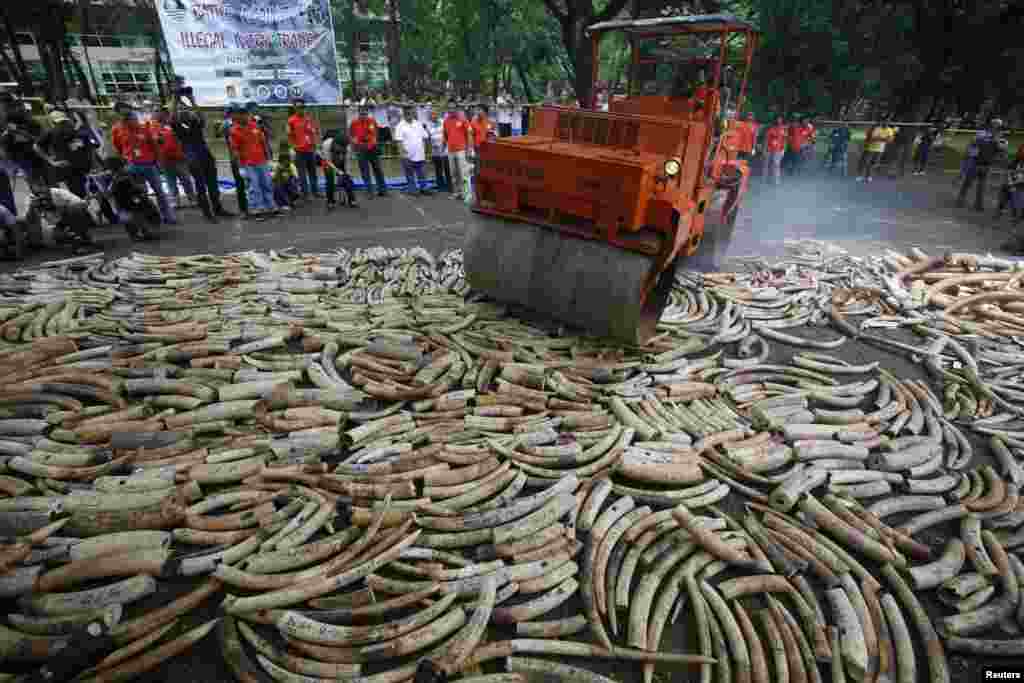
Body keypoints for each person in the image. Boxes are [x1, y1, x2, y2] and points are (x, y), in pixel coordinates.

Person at [169, 78, 233, 222]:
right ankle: (207, 213)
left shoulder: (195, 123)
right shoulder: (179, 127)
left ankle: (218, 208)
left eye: (187, 110)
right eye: (182, 111)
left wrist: (191, 100)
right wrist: (175, 98)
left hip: (205, 153)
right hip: (192, 156)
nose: (186, 112)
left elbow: (201, 116)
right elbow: (172, 117)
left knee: (213, 184)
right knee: (200, 186)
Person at [111, 101, 175, 224]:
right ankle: (148, 218)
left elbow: (153, 145)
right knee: (140, 194)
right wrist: (126, 159)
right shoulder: (117, 129)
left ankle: (168, 216)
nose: (130, 118)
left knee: (159, 191)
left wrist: (158, 161)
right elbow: (118, 147)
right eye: (123, 113)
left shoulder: (144, 128)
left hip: (149, 164)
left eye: (131, 114)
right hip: (132, 165)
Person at [35, 109, 101, 200]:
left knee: (82, 195)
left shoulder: (77, 132)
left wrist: (51, 161)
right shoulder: (54, 133)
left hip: (75, 168)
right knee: (85, 195)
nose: (64, 125)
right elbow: (92, 148)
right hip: (74, 169)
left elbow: (36, 146)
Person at [228, 104, 277, 219]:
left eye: (245, 114)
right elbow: (235, 150)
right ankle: (256, 209)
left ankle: (271, 206)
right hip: (248, 164)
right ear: (237, 116)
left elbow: (263, 143)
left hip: (262, 161)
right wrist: (240, 167)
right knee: (254, 187)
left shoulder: (255, 126)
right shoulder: (234, 131)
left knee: (267, 184)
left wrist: (269, 158)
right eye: (241, 114)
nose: (244, 116)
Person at [957, 118, 1008, 211]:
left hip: (986, 165)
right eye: (995, 125)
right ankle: (961, 200)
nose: (996, 127)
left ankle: (978, 205)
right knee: (968, 183)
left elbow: (1003, 151)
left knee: (981, 186)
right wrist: (969, 155)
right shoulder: (982, 134)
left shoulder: (1000, 138)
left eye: (998, 126)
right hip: (976, 162)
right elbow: (972, 144)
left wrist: (997, 141)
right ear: (992, 125)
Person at [105, 155, 161, 241]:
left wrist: (141, 194)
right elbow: (110, 194)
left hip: (131, 201)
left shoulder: (125, 176)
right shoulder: (115, 179)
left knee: (141, 208)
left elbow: (140, 189)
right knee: (133, 213)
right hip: (124, 205)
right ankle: (138, 233)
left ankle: (144, 231)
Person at [154, 107, 196, 209]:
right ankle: (175, 201)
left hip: (179, 158)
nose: (157, 114)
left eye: (159, 112)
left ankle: (192, 199)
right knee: (170, 181)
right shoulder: (153, 126)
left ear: (165, 114)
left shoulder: (176, 124)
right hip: (164, 160)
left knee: (186, 179)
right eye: (156, 112)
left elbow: (186, 137)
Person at [349, 105, 388, 198]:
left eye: (365, 113)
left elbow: (375, 134)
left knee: (378, 170)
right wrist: (355, 145)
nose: (363, 114)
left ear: (367, 112)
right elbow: (351, 136)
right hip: (360, 149)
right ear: (358, 112)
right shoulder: (354, 123)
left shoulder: (372, 121)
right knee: (365, 172)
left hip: (372, 148)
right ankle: (369, 191)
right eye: (361, 113)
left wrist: (372, 140)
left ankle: (382, 190)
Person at [287, 97, 321, 199]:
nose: (300, 109)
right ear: (294, 108)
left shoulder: (308, 119)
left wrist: (315, 144)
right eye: (298, 107)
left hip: (310, 150)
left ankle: (316, 192)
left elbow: (313, 133)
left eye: (302, 107)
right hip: (299, 152)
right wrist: (294, 148)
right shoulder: (291, 121)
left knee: (313, 173)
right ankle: (305, 194)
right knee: (302, 175)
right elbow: (289, 136)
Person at [394, 106, 432, 196]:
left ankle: (424, 188)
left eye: (410, 112)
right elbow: (398, 142)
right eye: (406, 113)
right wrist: (402, 154)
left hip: (420, 154)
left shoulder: (418, 123)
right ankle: (412, 189)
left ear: (412, 113)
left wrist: (426, 151)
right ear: (404, 114)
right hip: (407, 155)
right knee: (410, 174)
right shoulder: (399, 126)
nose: (408, 114)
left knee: (422, 173)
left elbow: (426, 137)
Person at [321, 128, 357, 209]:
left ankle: (352, 199)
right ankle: (330, 200)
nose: (341, 149)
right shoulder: (326, 144)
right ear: (335, 143)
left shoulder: (348, 147)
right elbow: (327, 161)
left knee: (347, 178)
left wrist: (347, 173)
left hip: (340, 161)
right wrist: (338, 171)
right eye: (340, 147)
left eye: (343, 148)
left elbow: (347, 162)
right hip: (328, 161)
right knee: (330, 179)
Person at [856, 115, 896, 183]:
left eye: (888, 122)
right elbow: (873, 138)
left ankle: (868, 176)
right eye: (885, 121)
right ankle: (860, 176)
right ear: (882, 122)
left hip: (880, 149)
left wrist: (881, 138)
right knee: (865, 162)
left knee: (874, 164)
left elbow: (890, 140)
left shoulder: (890, 130)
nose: (886, 123)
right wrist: (884, 139)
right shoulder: (877, 128)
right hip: (870, 148)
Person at [444, 106, 471, 200]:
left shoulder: (463, 119)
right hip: (451, 151)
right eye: (449, 108)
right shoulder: (446, 121)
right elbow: (445, 135)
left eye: (453, 108)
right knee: (453, 174)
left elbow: (469, 134)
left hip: (461, 150)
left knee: (464, 174)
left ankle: (467, 194)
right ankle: (457, 193)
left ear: (456, 109)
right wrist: (444, 146)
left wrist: (469, 150)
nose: (451, 110)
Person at [996, 143, 1024, 223]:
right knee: (1006, 192)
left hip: (1019, 185)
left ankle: (1016, 216)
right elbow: (1009, 173)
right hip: (1013, 184)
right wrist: (1011, 184)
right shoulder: (1015, 162)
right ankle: (1001, 210)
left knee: (1017, 200)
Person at [271, 141, 299, 212]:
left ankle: (289, 201)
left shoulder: (290, 167)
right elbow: (274, 178)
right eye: (284, 162)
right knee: (279, 188)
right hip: (280, 184)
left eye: (287, 161)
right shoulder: (278, 168)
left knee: (291, 186)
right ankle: (284, 203)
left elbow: (294, 177)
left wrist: (292, 180)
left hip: (287, 183)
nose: (286, 163)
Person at [427, 109, 450, 192]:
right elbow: (428, 137)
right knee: (438, 169)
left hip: (445, 149)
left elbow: (448, 134)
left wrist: (444, 144)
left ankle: (449, 185)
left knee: (447, 169)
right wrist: (431, 147)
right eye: (432, 114)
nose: (433, 116)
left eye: (435, 114)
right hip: (435, 150)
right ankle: (440, 186)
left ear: (438, 114)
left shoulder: (444, 122)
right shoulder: (428, 124)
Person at [763, 116, 787, 186]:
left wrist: (783, 150)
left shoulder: (784, 129)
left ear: (782, 121)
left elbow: (785, 140)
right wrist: (764, 149)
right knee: (766, 165)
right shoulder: (771, 128)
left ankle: (776, 181)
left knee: (776, 165)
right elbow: (766, 139)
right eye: (778, 119)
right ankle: (764, 180)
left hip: (778, 150)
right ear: (775, 120)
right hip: (769, 149)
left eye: (780, 119)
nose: (779, 121)